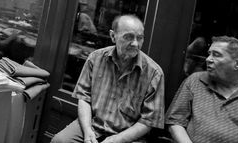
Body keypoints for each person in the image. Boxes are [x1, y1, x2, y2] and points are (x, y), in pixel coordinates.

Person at [52, 14, 165, 143]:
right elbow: (84, 98)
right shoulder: (95, 58)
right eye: (128, 37)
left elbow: (148, 121)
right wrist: (88, 130)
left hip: (128, 136)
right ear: (113, 36)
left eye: (139, 38)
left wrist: (116, 139)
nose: (135, 43)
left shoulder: (154, 73)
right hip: (94, 125)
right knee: (59, 141)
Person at [166, 36, 238, 143]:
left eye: (216, 55)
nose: (208, 59)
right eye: (209, 54)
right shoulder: (195, 80)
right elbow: (175, 121)